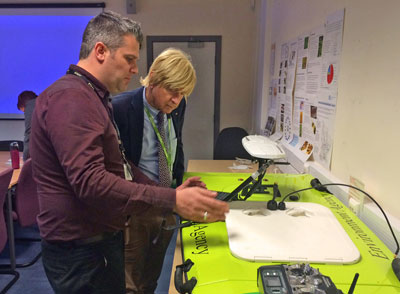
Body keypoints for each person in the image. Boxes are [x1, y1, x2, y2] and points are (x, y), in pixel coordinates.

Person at [29, 11, 229, 294]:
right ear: (100, 51)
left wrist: (170, 195)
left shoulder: (93, 97)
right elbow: (91, 182)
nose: (136, 70)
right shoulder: (71, 98)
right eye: (129, 59)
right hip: (81, 251)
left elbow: (123, 166)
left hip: (99, 243)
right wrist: (171, 198)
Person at [112, 48, 195, 293]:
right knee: (131, 283)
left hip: (167, 202)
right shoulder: (120, 109)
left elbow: (175, 142)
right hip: (136, 209)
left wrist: (176, 186)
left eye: (183, 93)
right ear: (154, 77)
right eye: (172, 91)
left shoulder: (178, 105)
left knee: (152, 279)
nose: (176, 100)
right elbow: (118, 168)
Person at [17, 90, 37, 161]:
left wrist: (25, 159)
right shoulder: (44, 103)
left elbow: (29, 134)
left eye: (24, 112)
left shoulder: (30, 106)